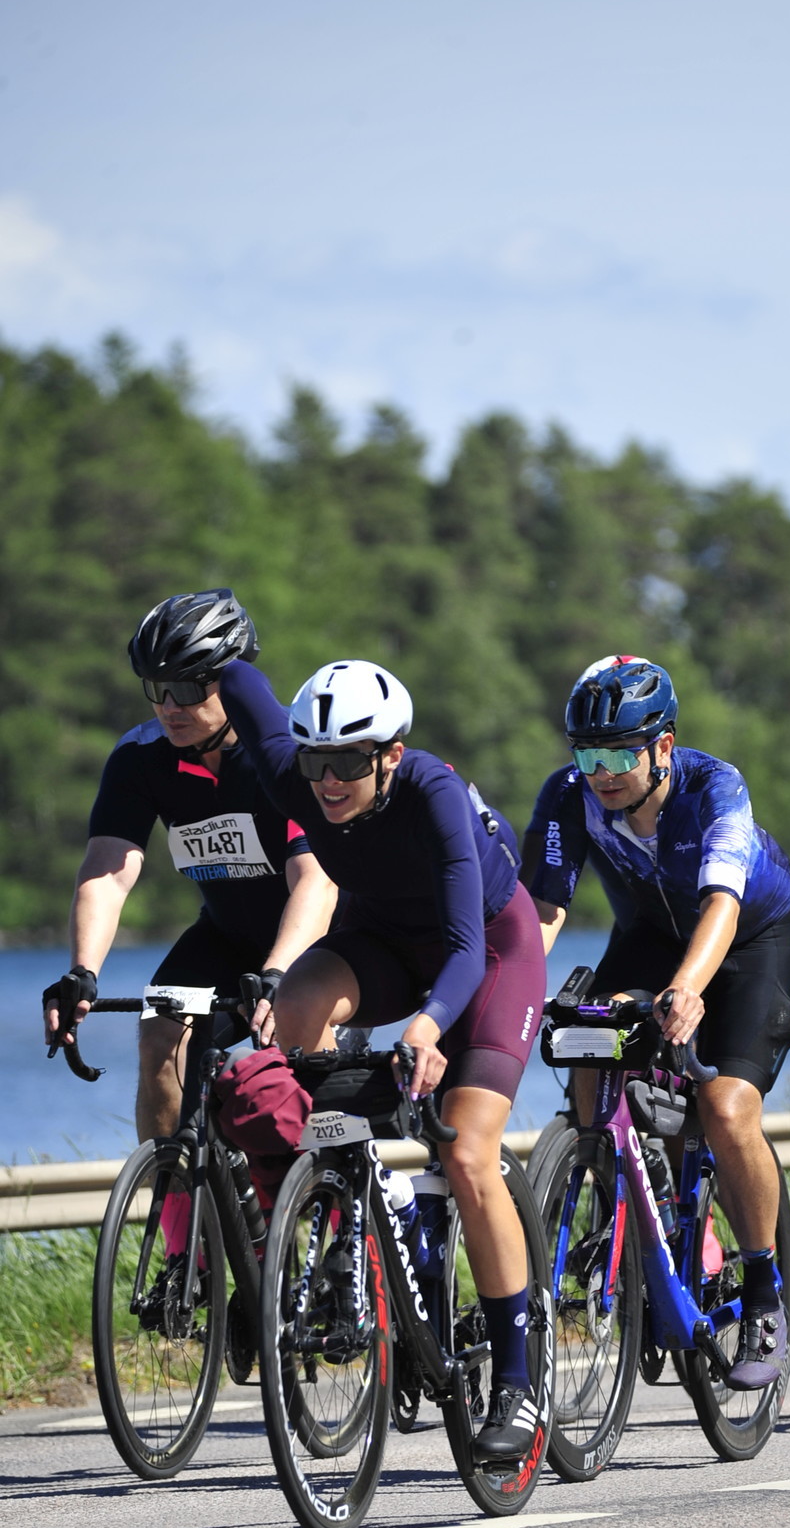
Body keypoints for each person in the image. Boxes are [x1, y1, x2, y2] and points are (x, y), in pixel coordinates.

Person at [218, 652, 547, 1463]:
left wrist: (429, 1027)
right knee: (290, 1012)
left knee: (466, 1154)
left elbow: (465, 950)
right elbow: (239, 681)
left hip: (486, 951)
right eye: (316, 762)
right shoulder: (295, 774)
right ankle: (333, 1228)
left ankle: (518, 1380)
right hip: (383, 944)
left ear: (391, 755)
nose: (329, 782)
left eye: (349, 763)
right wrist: (212, 642)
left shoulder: (433, 792)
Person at [521, 654, 790, 1388]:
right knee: (586, 1041)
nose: (601, 773)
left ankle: (763, 1291)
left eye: (619, 754)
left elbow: (722, 904)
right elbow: (541, 912)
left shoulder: (715, 788)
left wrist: (686, 987)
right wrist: (504, 989)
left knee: (725, 1109)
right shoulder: (569, 795)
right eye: (587, 755)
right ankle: (619, 1215)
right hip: (648, 935)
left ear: (663, 747)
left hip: (745, 943)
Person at [42, 590, 337, 1138]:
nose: (169, 707)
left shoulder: (285, 751)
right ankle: (173, 1190)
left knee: (301, 1049)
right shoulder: (140, 758)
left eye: (186, 688)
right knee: (160, 1033)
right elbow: (107, 873)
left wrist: (277, 973)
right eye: (156, 689)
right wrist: (82, 972)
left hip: (315, 939)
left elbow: (315, 880)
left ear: (235, 682)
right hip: (224, 937)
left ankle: (339, 1181)